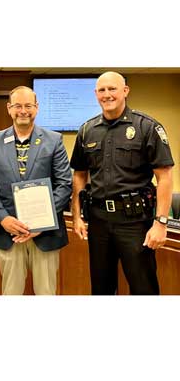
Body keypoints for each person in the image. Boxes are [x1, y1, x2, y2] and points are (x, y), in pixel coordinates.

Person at [70, 71, 174, 295]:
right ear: (96, 94)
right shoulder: (87, 130)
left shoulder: (146, 127)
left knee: (142, 287)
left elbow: (164, 176)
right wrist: (77, 215)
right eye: (102, 90)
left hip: (134, 222)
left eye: (112, 89)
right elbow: (79, 174)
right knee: (101, 288)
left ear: (125, 91)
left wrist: (161, 223)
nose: (107, 94)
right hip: (98, 221)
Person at [0, 86, 72, 295]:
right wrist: (3, 219)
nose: (23, 111)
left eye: (28, 106)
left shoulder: (53, 140)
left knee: (46, 293)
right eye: (18, 106)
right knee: (11, 292)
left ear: (36, 108)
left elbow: (64, 184)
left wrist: (42, 221)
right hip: (8, 232)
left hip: (45, 234)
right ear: (9, 108)